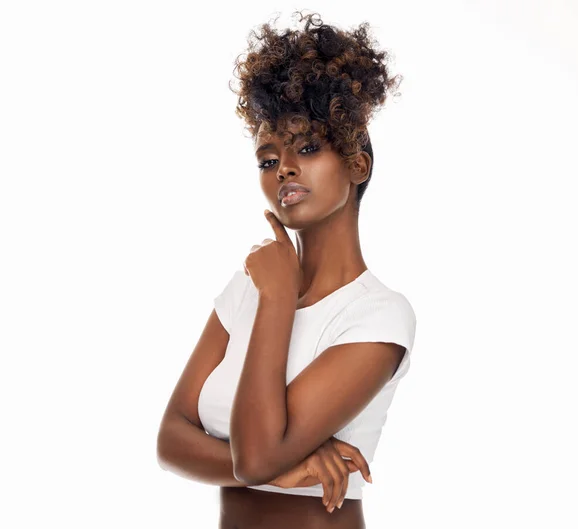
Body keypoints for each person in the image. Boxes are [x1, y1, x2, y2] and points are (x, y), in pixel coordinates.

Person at [157, 11, 416, 528]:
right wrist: (288, 467)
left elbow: (251, 458)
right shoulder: (247, 287)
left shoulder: (378, 317)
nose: (285, 169)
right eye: (268, 159)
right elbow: (171, 438)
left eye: (308, 147)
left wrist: (279, 299)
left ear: (358, 164)